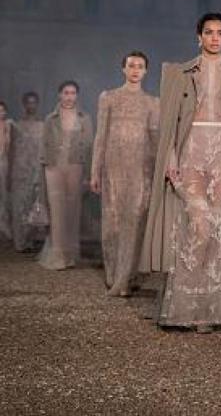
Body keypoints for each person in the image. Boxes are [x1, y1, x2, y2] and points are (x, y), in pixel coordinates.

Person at [140, 13, 221, 333]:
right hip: (191, 150)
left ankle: (211, 309)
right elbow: (169, 125)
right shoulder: (181, 74)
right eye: (209, 32)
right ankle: (186, 305)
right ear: (198, 36)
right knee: (198, 223)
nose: (215, 38)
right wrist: (169, 158)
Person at [91, 51, 160, 296]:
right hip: (113, 168)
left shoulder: (153, 103)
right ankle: (113, 274)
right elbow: (101, 135)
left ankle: (125, 278)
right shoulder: (108, 97)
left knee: (134, 222)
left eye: (140, 66)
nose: (135, 70)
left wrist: (156, 173)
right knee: (112, 223)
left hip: (141, 170)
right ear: (123, 69)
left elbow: (155, 139)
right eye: (131, 65)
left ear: (145, 71)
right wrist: (94, 172)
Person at [38, 81, 94, 270]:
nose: (69, 96)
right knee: (56, 210)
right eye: (66, 92)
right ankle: (57, 255)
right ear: (59, 95)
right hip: (53, 167)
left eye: (73, 93)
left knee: (72, 210)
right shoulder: (50, 119)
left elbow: (89, 148)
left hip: (76, 166)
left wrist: (89, 174)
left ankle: (70, 254)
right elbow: (44, 145)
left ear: (77, 95)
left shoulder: (84, 118)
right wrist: (43, 168)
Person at [7, 92, 46, 251]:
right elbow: (11, 149)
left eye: (34, 102)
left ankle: (29, 241)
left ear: (37, 104)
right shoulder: (16, 125)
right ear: (24, 105)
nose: (31, 106)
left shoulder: (43, 125)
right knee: (18, 206)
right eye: (28, 103)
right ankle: (19, 243)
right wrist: (9, 173)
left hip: (36, 170)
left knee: (33, 206)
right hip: (19, 170)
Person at [0, 101, 12, 240]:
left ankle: (3, 229)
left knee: (4, 195)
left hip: (4, 163)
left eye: (3, 110)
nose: (1, 113)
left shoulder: (9, 125)